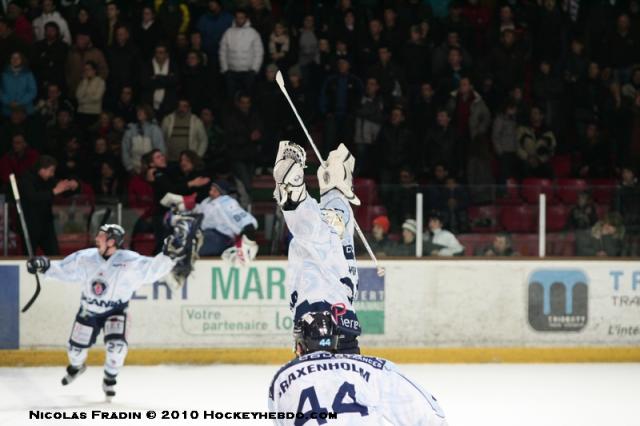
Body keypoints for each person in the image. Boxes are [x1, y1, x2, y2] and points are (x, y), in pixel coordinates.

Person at [24, 224, 186, 401]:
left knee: (116, 347)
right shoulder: (85, 257)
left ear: (111, 241)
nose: (96, 238)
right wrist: (43, 265)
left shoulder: (130, 260)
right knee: (75, 351)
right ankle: (77, 367)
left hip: (115, 310)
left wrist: (168, 255)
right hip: (88, 310)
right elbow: (64, 269)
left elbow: (153, 270)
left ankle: (110, 378)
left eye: (101, 235)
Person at [268, 311, 448, 426]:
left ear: (300, 345)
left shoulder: (282, 377)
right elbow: (428, 416)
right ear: (336, 340)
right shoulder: (375, 368)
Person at [273, 141, 361, 354]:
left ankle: (295, 197)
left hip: (330, 303)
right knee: (316, 240)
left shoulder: (340, 213)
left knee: (315, 239)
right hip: (331, 311)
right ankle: (295, 196)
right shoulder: (341, 213)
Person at [17, 156, 78, 255]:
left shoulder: (49, 180)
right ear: (42, 169)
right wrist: (54, 191)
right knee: (28, 255)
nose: (52, 174)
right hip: (29, 224)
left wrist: (73, 186)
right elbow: (33, 197)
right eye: (51, 171)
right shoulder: (26, 179)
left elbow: (62, 190)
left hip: (46, 224)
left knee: (54, 254)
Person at [188, 180, 258, 258]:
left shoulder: (227, 202)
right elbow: (198, 210)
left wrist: (248, 227)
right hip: (204, 234)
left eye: (215, 191)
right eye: (211, 189)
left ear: (222, 192)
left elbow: (243, 218)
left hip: (220, 238)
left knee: (192, 250)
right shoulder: (207, 200)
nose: (211, 192)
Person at [218, 8, 263, 97]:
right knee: (231, 97)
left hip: (248, 73)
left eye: (242, 17)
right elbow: (222, 52)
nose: (239, 20)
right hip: (231, 73)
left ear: (246, 18)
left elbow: (259, 52)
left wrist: (254, 70)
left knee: (248, 97)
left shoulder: (253, 33)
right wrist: (225, 69)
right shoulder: (228, 32)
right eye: (238, 17)